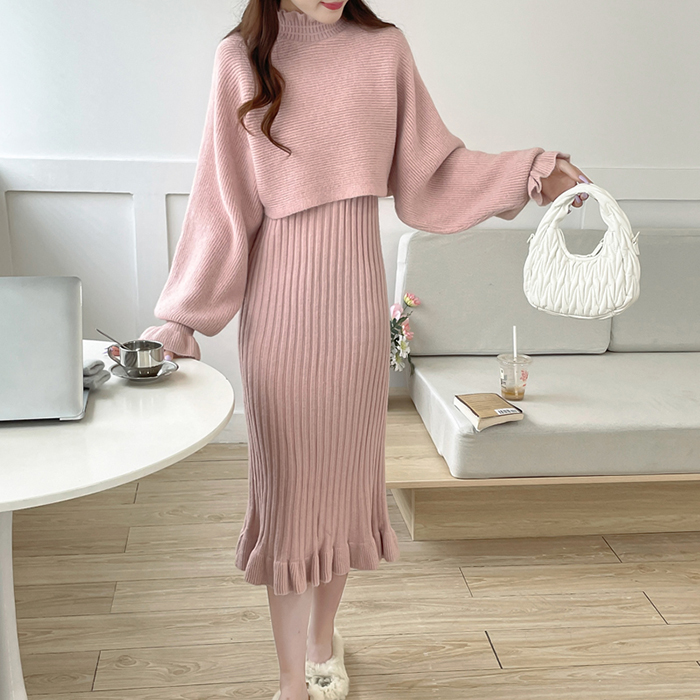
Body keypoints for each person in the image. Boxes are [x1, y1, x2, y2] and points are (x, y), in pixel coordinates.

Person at [139, 1, 593, 698]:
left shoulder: (384, 51)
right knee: (291, 506)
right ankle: (291, 683)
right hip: (280, 315)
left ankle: (323, 644)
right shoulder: (240, 60)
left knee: (345, 496)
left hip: (354, 312)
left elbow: (433, 173)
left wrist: (533, 172)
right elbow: (220, 203)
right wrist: (181, 318)